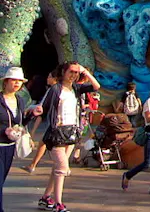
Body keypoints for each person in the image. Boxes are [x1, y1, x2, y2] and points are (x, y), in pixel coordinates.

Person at [38, 62, 100, 212]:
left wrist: (85, 71)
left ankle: (46, 198)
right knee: (62, 168)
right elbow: (43, 108)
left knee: (57, 168)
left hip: (71, 132)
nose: (73, 75)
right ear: (63, 72)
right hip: (57, 132)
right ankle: (58, 203)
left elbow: (96, 87)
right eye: (71, 71)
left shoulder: (76, 89)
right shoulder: (55, 89)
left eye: (76, 72)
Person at [1, 67, 42, 212]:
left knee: (2, 179)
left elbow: (21, 123)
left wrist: (32, 115)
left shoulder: (19, 100)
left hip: (10, 146)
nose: (17, 83)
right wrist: (3, 130)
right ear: (6, 82)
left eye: (20, 81)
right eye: (14, 80)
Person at [23, 69, 59, 173]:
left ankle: (33, 165)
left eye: (49, 77)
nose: (47, 79)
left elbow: (41, 106)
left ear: (55, 79)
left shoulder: (53, 90)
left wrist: (29, 108)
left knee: (44, 143)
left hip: (54, 122)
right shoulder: (62, 89)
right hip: (59, 122)